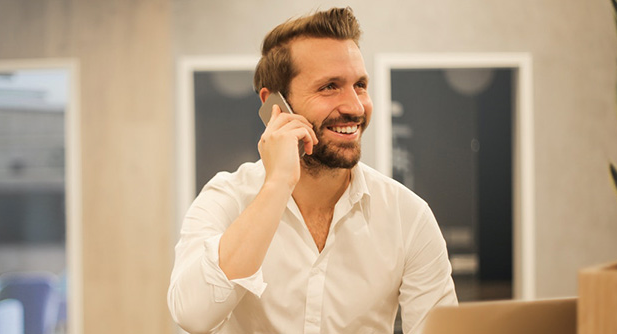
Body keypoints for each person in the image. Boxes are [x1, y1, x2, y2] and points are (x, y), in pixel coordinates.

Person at [168, 7, 457, 334]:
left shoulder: (409, 216)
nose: (355, 107)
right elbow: (192, 316)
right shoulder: (226, 198)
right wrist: (277, 184)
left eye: (359, 85)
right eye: (330, 86)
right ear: (275, 104)